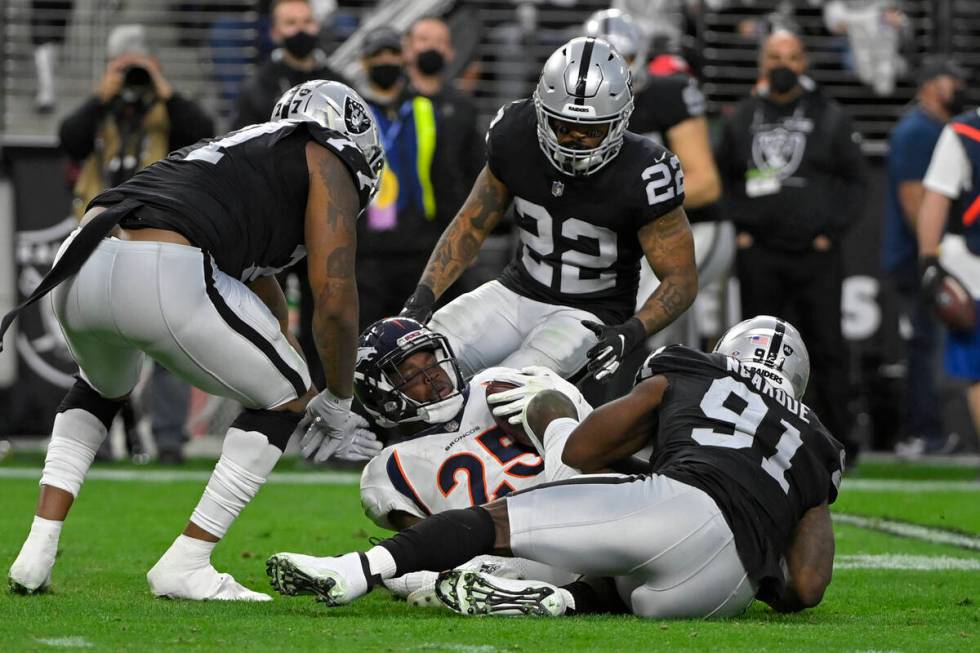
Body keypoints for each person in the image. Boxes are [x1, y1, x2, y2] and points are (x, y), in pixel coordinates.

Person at [3, 80, 385, 600]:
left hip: (78, 259)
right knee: (287, 396)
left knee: (98, 386)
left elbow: (260, 295)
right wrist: (337, 397)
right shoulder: (326, 155)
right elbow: (335, 300)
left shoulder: (244, 153)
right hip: (159, 265)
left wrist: (287, 360)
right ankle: (188, 562)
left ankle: (38, 547)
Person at [265, 315, 845, 619]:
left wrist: (557, 415)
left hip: (664, 511)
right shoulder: (820, 443)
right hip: (725, 590)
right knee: (627, 589)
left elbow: (583, 452)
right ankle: (563, 603)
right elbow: (807, 587)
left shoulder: (690, 366)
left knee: (495, 521)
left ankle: (352, 571)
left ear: (727, 351)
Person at [399, 37, 698, 384]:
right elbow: (471, 225)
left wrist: (631, 331)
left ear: (621, 120)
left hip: (587, 314)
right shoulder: (515, 133)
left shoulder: (646, 172)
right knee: (414, 359)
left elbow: (682, 279)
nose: (574, 139)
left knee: (501, 390)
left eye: (591, 130)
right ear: (541, 111)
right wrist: (423, 297)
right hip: (514, 292)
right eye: (563, 125)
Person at [58, 23, 216, 463]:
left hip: (159, 236)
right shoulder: (99, 111)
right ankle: (100, 441)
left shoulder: (167, 110)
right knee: (102, 349)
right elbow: (68, 140)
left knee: (168, 343)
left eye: (138, 67)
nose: (132, 78)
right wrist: (100, 95)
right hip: (99, 240)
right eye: (124, 68)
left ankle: (168, 443)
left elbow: (205, 132)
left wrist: (163, 89)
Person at [353, 317, 586, 603]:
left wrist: (561, 396)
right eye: (411, 373)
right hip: (515, 551)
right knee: (451, 568)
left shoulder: (494, 384)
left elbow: (588, 439)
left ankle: (445, 583)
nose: (431, 375)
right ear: (382, 395)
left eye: (431, 362)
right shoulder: (388, 468)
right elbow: (423, 544)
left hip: (577, 510)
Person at [715, 30, 866, 462]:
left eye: (793, 56)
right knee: (754, 350)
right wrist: (739, 224)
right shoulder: (743, 115)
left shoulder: (829, 116)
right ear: (762, 63)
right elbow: (720, 175)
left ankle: (839, 445)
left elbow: (857, 181)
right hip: (760, 251)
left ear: (805, 63)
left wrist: (831, 231)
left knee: (827, 347)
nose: (783, 64)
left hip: (816, 254)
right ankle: (751, 439)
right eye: (775, 56)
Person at [354, 26, 480, 333]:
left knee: (424, 339)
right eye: (378, 55)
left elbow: (444, 175)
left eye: (393, 54)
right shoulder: (353, 113)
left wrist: (462, 235)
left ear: (405, 56)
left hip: (420, 247)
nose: (386, 61)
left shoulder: (425, 107)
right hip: (367, 252)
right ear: (364, 62)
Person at [885, 57, 969, 456]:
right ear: (933, 85)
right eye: (953, 80)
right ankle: (923, 432)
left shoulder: (935, 128)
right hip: (915, 256)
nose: (960, 87)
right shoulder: (918, 131)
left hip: (927, 253)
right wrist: (931, 254)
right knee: (923, 344)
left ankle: (930, 431)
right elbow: (914, 199)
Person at [917, 104, 980, 451]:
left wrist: (928, 258)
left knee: (977, 372)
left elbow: (936, 199)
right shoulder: (963, 132)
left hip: (970, 268)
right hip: (972, 268)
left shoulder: (964, 132)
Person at [231, 0, 349, 129]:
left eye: (307, 21)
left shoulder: (339, 85)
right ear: (274, 32)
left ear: (317, 26)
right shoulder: (257, 89)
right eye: (291, 23)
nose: (301, 30)